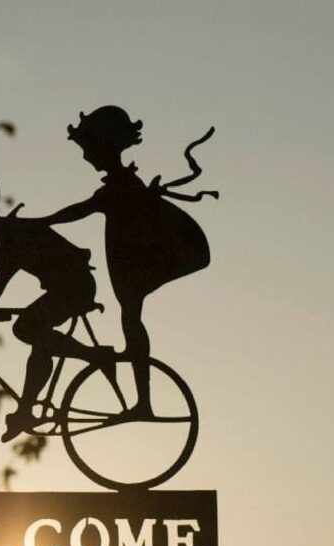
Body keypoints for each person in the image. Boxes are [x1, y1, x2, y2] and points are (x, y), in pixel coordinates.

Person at [31, 106, 217, 418]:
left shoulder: (120, 187)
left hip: (138, 258)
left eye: (88, 149)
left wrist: (40, 222)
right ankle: (141, 398)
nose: (86, 157)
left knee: (131, 316)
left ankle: (143, 403)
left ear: (103, 146)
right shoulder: (122, 184)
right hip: (130, 256)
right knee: (130, 316)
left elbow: (81, 209)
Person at [0, 166, 114, 442]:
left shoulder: (10, 235)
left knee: (28, 329)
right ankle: (26, 411)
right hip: (69, 285)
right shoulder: (7, 233)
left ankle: (94, 359)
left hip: (75, 287)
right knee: (31, 330)